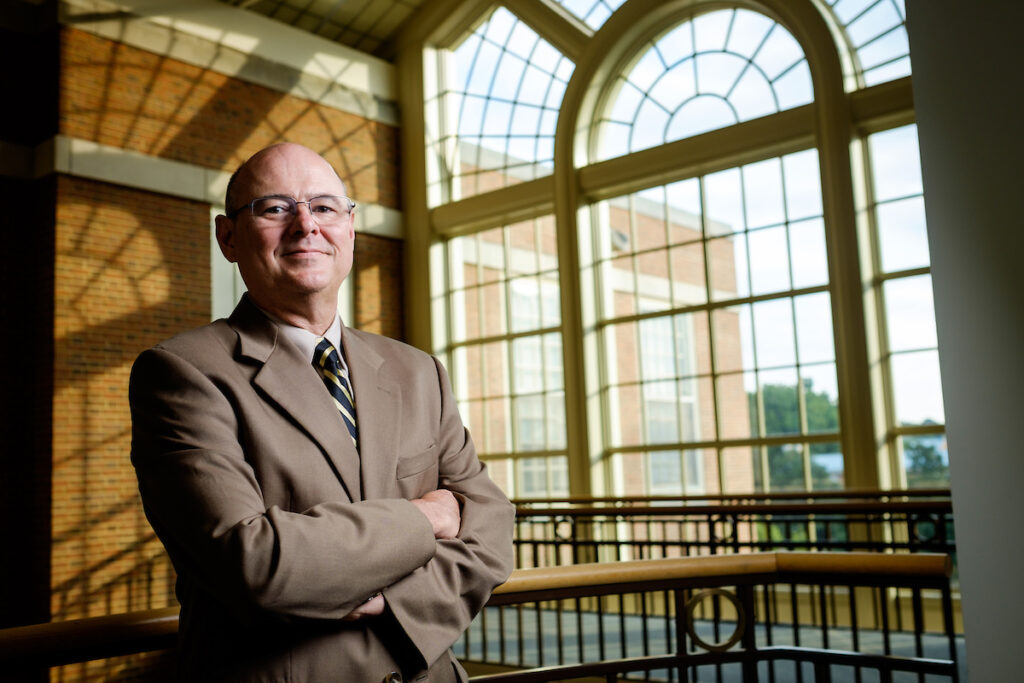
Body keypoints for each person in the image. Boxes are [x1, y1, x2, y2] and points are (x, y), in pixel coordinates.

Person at [129, 142, 515, 682]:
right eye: (275, 207)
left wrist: (396, 602)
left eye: (325, 207)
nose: (305, 225)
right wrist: (427, 517)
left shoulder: (416, 370)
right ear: (228, 237)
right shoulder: (182, 373)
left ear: (350, 229)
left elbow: (493, 527)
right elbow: (256, 565)